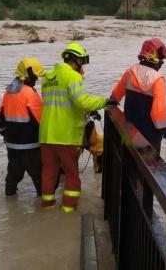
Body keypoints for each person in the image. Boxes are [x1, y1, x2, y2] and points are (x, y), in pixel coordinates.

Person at [39, 43, 115, 213]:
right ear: (76, 60)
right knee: (72, 173)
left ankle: (48, 206)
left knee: (49, 171)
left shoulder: (48, 77)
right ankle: (68, 209)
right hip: (65, 134)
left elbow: (58, 103)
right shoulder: (73, 76)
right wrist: (104, 101)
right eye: (82, 61)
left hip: (46, 134)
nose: (82, 65)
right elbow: (80, 101)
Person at [110, 38, 166, 153]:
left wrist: (111, 105)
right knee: (150, 166)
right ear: (155, 59)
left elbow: (115, 96)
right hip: (150, 137)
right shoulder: (158, 79)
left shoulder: (130, 72)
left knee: (129, 164)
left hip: (130, 131)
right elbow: (158, 113)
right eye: (161, 60)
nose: (161, 64)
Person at [0, 57, 46, 197]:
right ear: (28, 74)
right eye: (35, 76)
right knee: (38, 175)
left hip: (12, 144)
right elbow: (41, 120)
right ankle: (45, 208)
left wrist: (4, 133)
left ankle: (10, 200)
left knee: (13, 173)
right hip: (30, 145)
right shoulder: (31, 93)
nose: (36, 79)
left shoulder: (8, 91)